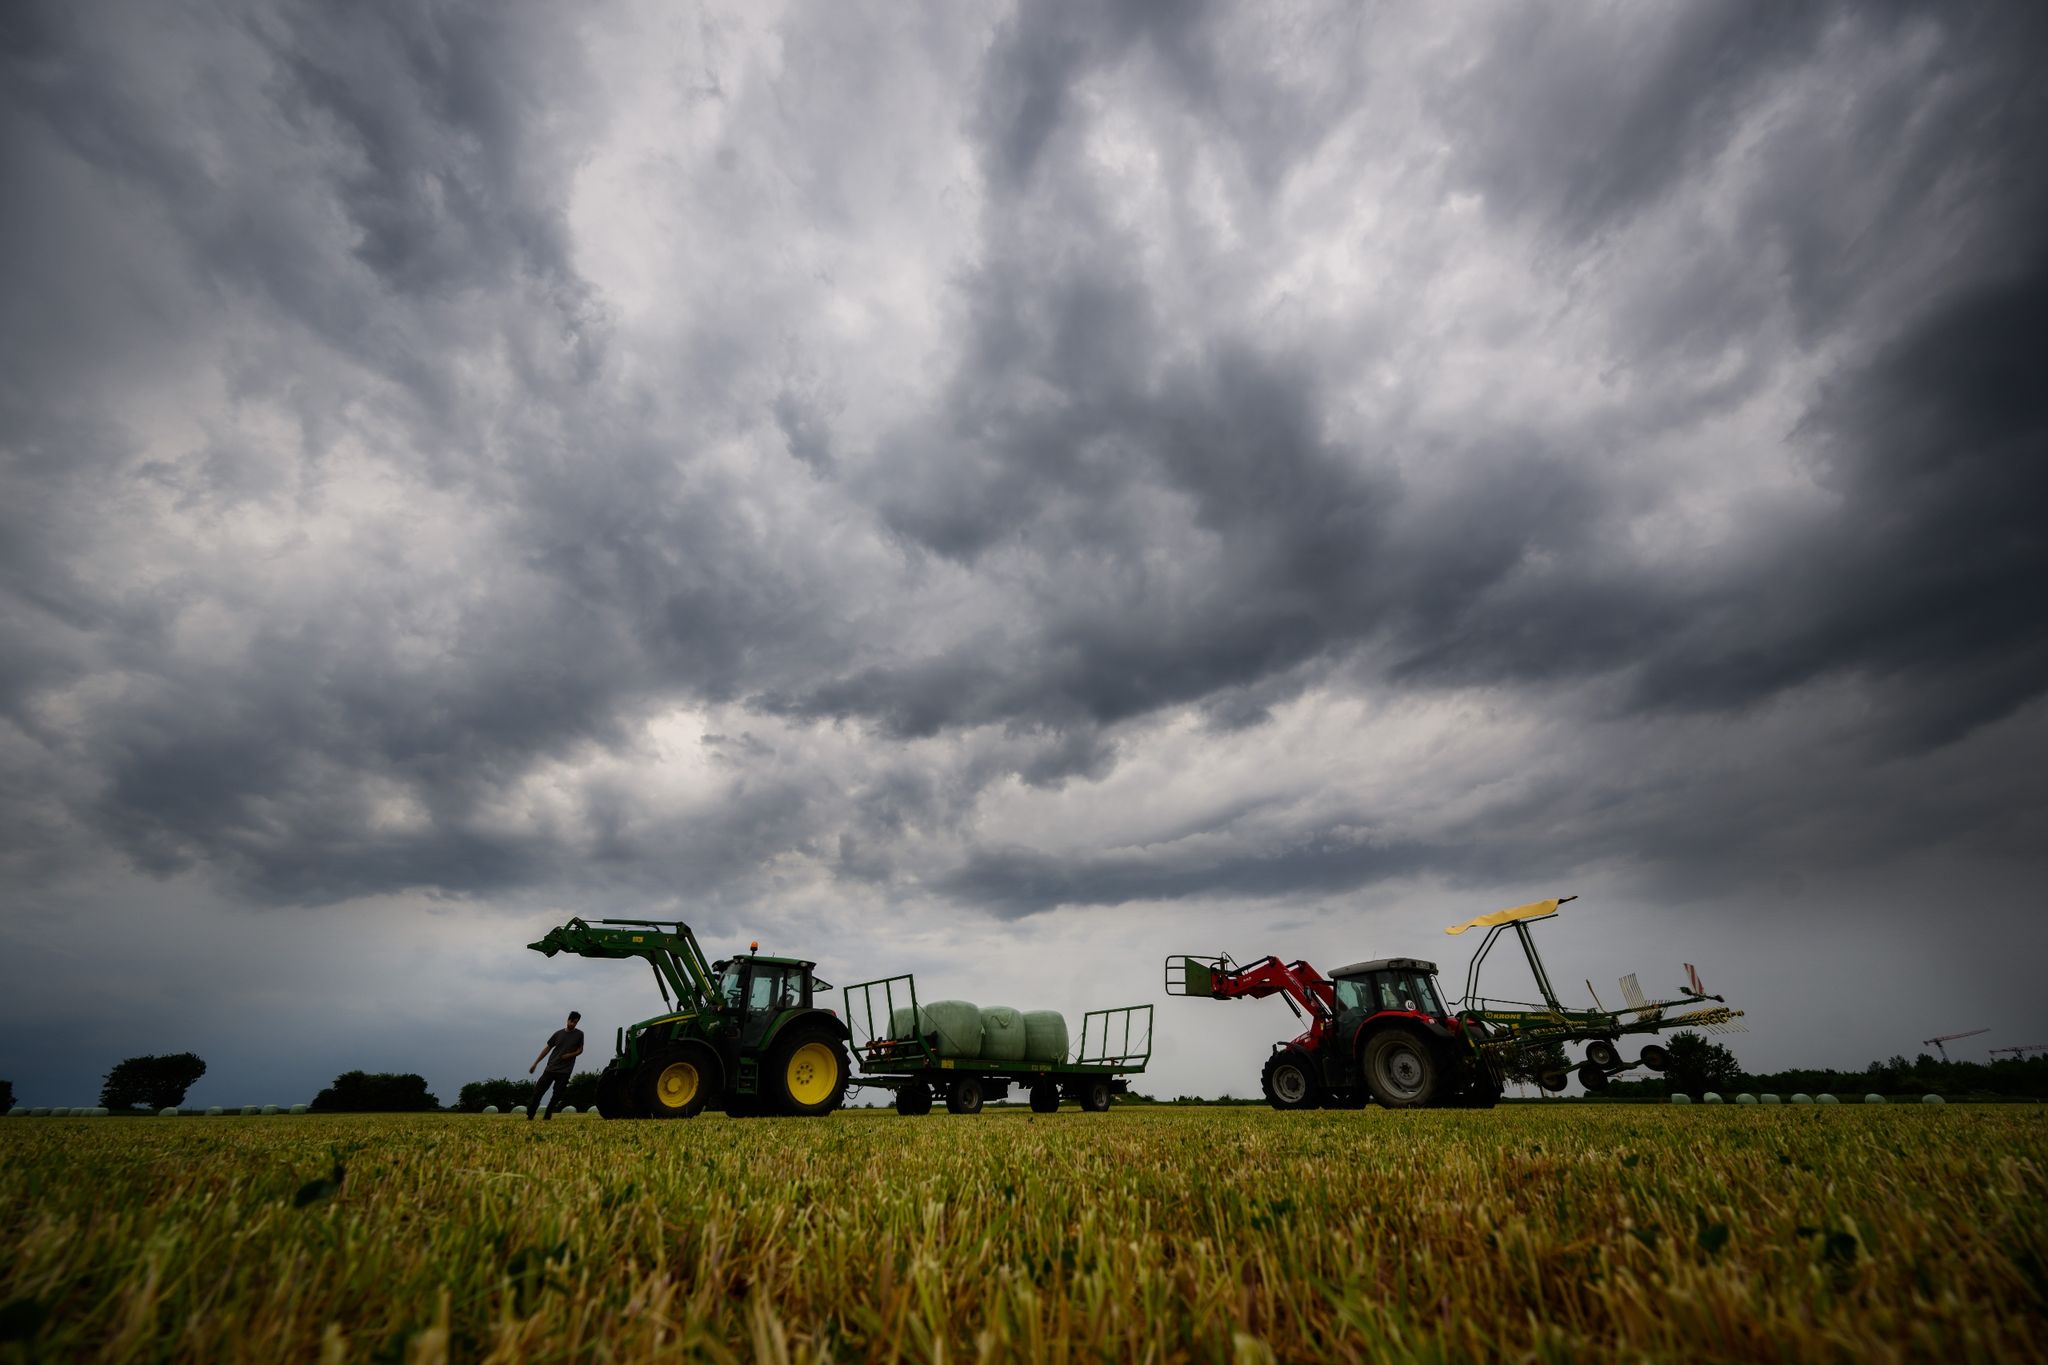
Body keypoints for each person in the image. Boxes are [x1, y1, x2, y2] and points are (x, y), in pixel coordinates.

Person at [526, 1011, 584, 1120]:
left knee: (557, 1095)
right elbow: (547, 1049)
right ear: (568, 1020)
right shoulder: (558, 1034)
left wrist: (569, 1055)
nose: (573, 1024)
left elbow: (580, 1050)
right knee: (538, 1092)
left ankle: (548, 1113)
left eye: (575, 1022)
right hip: (551, 1068)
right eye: (571, 1021)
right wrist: (535, 1063)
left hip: (565, 1071)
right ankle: (530, 1114)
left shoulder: (579, 1034)